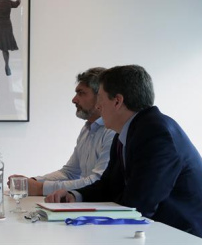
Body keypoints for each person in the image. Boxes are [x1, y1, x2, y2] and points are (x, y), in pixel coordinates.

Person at [45, 65, 202, 238]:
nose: (98, 106)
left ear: (117, 101)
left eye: (101, 98)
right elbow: (109, 185)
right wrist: (75, 195)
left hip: (179, 235)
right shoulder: (128, 132)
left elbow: (139, 204)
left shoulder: (156, 133)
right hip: (151, 230)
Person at [9, 68, 115, 196]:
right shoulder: (87, 129)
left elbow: (97, 181)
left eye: (81, 93)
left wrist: (40, 188)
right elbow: (69, 173)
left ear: (100, 97)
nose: (74, 100)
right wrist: (33, 181)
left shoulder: (112, 132)